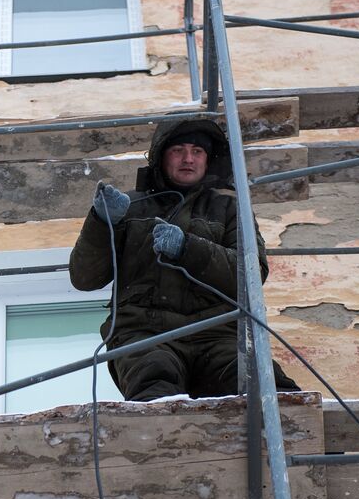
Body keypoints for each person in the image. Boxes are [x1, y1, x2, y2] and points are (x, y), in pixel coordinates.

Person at [68, 116, 300, 401]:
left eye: (197, 151)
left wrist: (187, 248)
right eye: (178, 150)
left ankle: (305, 442)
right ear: (161, 158)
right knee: (153, 379)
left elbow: (251, 276)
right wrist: (101, 222)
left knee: (264, 386)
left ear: (207, 159)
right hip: (144, 332)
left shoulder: (228, 208)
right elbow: (84, 278)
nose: (188, 158)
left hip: (216, 333)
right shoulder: (130, 207)